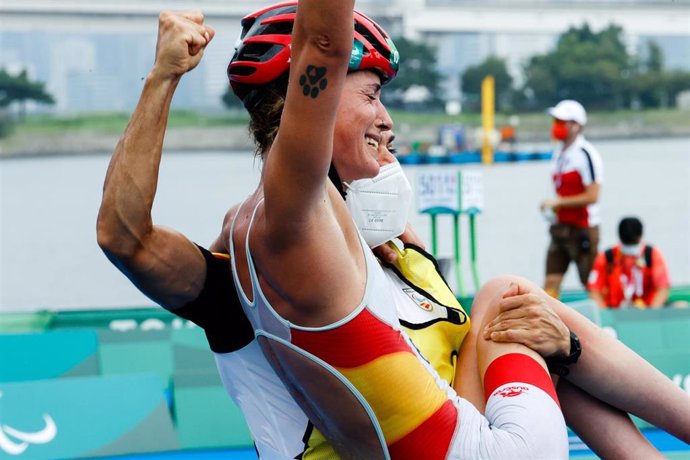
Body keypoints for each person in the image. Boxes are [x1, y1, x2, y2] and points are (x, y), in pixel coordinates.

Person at [96, 3, 690, 458]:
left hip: (469, 429)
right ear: (314, 103)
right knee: (507, 298)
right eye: (373, 94)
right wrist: (164, 75)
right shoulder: (282, 224)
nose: (388, 119)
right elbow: (125, 237)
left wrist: (566, 348)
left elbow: (458, 384)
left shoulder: (394, 244)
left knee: (510, 307)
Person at [541, 99, 603, 299]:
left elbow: (593, 195)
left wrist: (558, 203)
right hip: (560, 228)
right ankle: (546, 325)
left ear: (575, 125)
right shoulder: (559, 153)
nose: (556, 126)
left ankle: (601, 326)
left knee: (591, 283)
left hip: (583, 228)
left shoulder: (586, 155)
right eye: (555, 121)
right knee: (550, 282)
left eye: (561, 122)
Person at [587, 216, 671, 308]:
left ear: (640, 237)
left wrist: (651, 314)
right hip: (614, 314)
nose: (630, 248)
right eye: (627, 244)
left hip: (647, 311)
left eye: (633, 243)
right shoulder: (606, 257)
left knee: (681, 305)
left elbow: (663, 288)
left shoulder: (652, 254)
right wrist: (605, 317)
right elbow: (594, 291)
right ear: (620, 238)